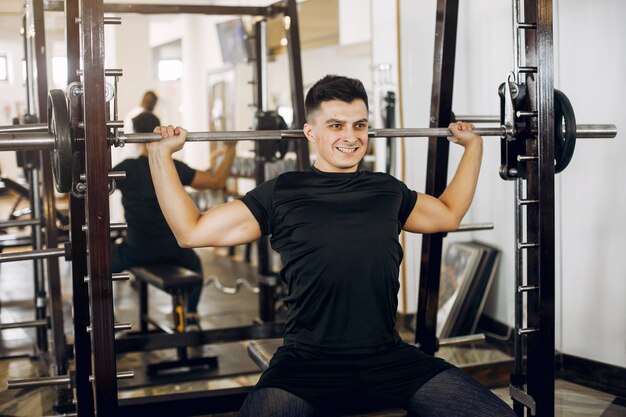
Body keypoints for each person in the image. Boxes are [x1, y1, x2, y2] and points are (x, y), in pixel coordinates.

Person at [146, 75, 516, 416]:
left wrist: (473, 147)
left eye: (360, 125)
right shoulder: (283, 192)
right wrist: (160, 157)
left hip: (387, 357)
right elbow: (191, 232)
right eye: (336, 125)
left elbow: (448, 214)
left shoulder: (386, 189)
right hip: (308, 363)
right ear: (310, 131)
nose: (350, 136)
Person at [111, 111, 237, 329]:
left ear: (134, 136)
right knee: (195, 265)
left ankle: (101, 319)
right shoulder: (173, 168)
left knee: (98, 266)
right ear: (160, 131)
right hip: (173, 249)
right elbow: (217, 181)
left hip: (136, 248)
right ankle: (191, 317)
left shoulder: (127, 168)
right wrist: (231, 148)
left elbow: (92, 190)